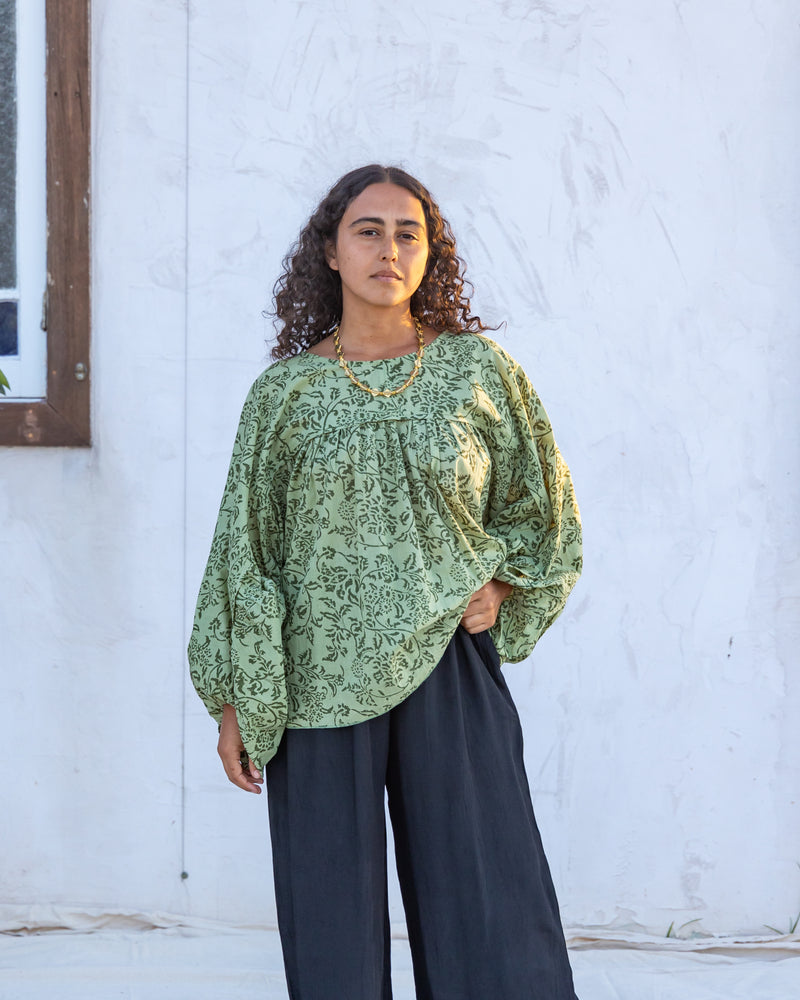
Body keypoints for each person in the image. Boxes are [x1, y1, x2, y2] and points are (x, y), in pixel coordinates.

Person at [188, 164, 582, 1000]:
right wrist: (234, 694)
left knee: (489, 900)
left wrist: (505, 586)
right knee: (330, 916)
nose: (388, 249)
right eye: (367, 230)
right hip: (316, 677)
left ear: (430, 253)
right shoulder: (284, 394)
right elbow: (243, 551)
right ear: (329, 252)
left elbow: (542, 507)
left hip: (449, 657)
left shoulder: (477, 372)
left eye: (409, 232)